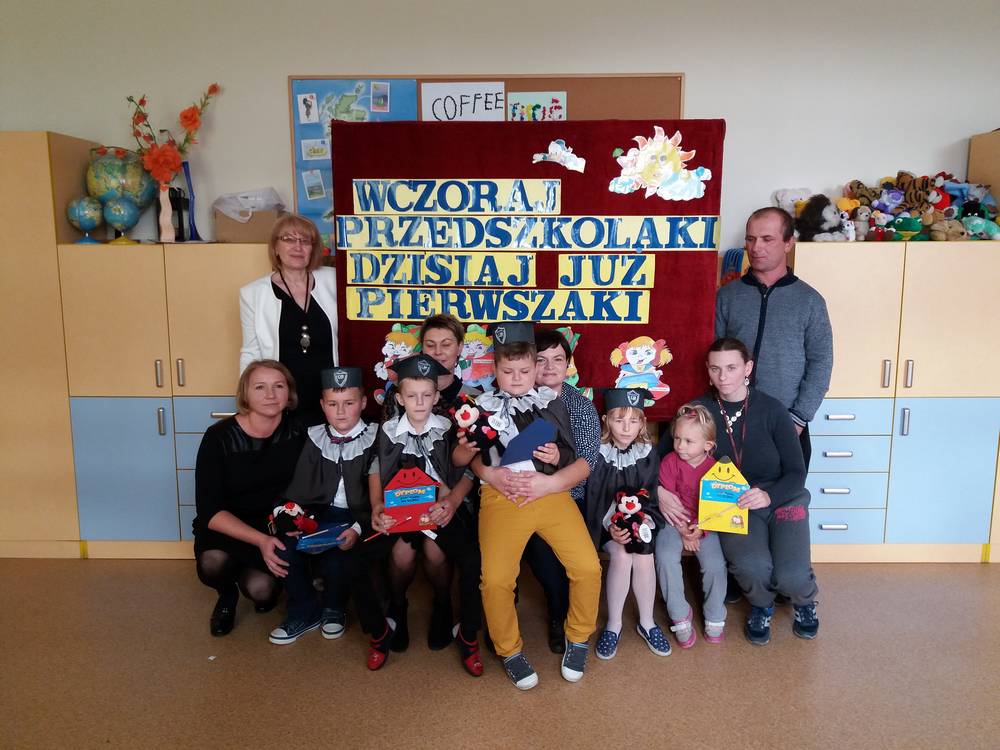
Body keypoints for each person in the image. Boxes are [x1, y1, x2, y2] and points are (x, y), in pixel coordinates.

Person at [458, 322, 600, 691]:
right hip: (502, 496)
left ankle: (578, 637)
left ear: (534, 368)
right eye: (508, 371)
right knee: (495, 579)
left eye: (524, 370)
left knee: (587, 566)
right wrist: (486, 471)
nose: (517, 378)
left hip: (551, 494)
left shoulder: (554, 403)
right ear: (495, 369)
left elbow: (574, 455)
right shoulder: (479, 406)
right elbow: (463, 458)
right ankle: (509, 650)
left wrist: (556, 456)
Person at [266, 366, 397, 670]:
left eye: (349, 403)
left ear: (363, 403)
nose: (340, 412)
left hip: (361, 516)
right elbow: (299, 490)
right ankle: (303, 610)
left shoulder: (379, 437)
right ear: (322, 405)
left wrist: (358, 527)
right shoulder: (314, 437)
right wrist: (294, 518)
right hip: (319, 514)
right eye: (333, 404)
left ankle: (335, 608)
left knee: (342, 551)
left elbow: (384, 496)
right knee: (284, 547)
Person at [695, 337, 819, 645]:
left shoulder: (772, 409)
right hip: (734, 502)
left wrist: (768, 496)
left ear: (747, 368)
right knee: (753, 569)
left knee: (791, 577)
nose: (723, 377)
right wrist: (664, 493)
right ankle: (761, 606)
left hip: (781, 497)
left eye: (731, 368)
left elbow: (797, 472)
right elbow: (670, 457)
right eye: (715, 369)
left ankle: (804, 602)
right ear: (707, 370)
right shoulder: (699, 410)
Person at [370, 354, 484, 676]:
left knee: (438, 551)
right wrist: (377, 505)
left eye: (426, 395)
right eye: (411, 395)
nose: (419, 402)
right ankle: (398, 606)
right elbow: (376, 469)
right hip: (402, 509)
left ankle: (443, 603)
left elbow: (469, 470)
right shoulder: (387, 430)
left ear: (436, 397)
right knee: (401, 554)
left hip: (442, 508)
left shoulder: (450, 427)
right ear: (399, 398)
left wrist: (454, 502)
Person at [192, 360, 306, 636]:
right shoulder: (218, 437)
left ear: (289, 393)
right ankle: (226, 594)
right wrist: (260, 541)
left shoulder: (298, 431)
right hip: (227, 524)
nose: (270, 395)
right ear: (245, 393)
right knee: (212, 563)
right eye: (260, 387)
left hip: (271, 524)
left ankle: (251, 576)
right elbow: (210, 511)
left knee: (262, 592)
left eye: (278, 386)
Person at [714, 206, 833, 469]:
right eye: (751, 239)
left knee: (783, 494)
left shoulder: (810, 301)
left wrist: (798, 418)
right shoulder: (727, 297)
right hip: (729, 422)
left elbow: (821, 363)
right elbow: (711, 354)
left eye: (767, 239)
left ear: (789, 243)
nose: (756, 247)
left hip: (786, 424)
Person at [524, 327, 601, 653]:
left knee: (567, 560)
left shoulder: (580, 407)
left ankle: (564, 617)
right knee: (542, 560)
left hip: (568, 495)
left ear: (568, 365)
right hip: (524, 496)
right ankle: (557, 610)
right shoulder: (517, 400)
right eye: (541, 360)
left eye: (558, 359)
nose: (550, 367)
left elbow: (586, 463)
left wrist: (555, 473)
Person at [583, 388, 669, 661]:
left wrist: (639, 524)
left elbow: (649, 495)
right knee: (621, 556)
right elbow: (595, 498)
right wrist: (613, 526)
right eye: (619, 420)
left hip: (640, 522)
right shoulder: (597, 453)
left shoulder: (647, 453)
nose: (626, 427)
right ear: (606, 420)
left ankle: (647, 622)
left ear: (643, 422)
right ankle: (614, 625)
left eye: (633, 421)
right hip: (605, 526)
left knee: (644, 555)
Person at [239, 214, 338, 427]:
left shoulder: (334, 280)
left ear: (313, 248)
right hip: (282, 399)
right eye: (289, 239)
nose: (297, 247)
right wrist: (248, 400)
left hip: (332, 398)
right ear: (275, 247)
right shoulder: (252, 293)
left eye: (305, 241)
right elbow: (251, 351)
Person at [655, 403, 728, 647]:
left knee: (715, 565)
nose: (680, 446)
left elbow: (719, 508)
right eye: (677, 438)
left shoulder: (717, 470)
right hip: (673, 522)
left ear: (707, 445)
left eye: (688, 441)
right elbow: (669, 503)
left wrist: (700, 529)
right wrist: (683, 531)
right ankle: (679, 613)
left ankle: (715, 613)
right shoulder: (669, 462)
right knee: (665, 557)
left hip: (704, 525)